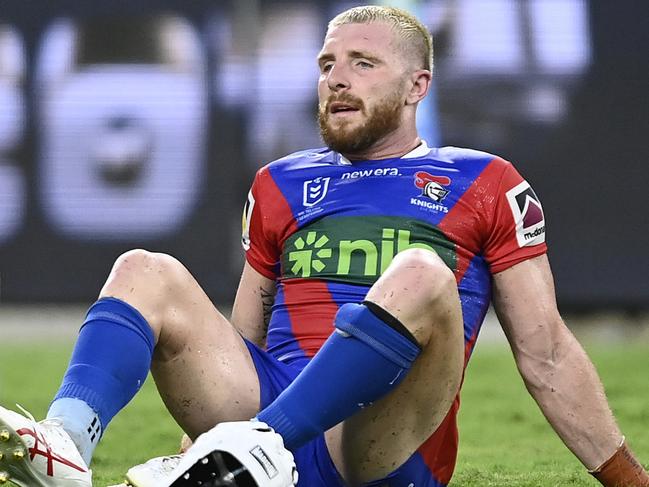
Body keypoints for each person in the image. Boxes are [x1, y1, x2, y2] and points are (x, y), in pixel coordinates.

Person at [0, 5, 646, 487]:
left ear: (417, 85)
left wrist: (625, 478)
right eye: (326, 65)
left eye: (362, 64)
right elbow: (238, 340)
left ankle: (256, 449)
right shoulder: (279, 181)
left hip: (381, 441)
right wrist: (192, 453)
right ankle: (66, 445)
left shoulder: (485, 180)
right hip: (265, 406)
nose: (337, 79)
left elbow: (547, 352)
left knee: (420, 272)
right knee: (145, 268)